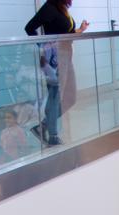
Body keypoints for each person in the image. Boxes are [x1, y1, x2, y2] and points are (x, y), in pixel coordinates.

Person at [24, 0, 88, 145]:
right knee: (55, 95)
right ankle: (53, 136)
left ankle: (43, 126)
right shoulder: (50, 7)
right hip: (55, 57)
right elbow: (29, 28)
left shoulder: (61, 7)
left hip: (66, 55)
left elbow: (66, 33)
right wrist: (45, 45)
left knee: (70, 98)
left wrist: (80, 29)